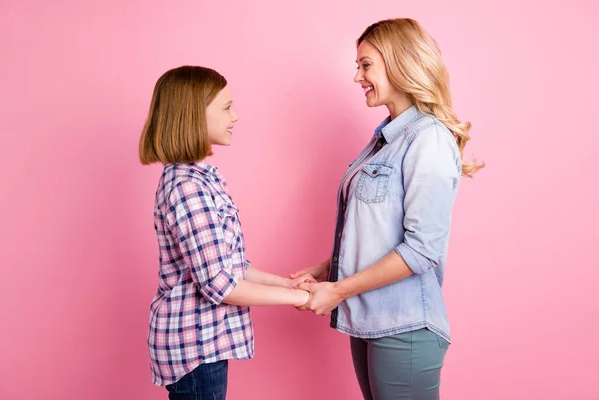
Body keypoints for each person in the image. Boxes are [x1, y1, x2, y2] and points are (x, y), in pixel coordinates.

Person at [291, 18, 483, 400]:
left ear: (399, 63)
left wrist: (338, 290)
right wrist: (326, 269)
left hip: (406, 326)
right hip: (369, 321)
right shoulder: (385, 139)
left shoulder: (428, 139)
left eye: (366, 65)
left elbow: (421, 249)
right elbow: (375, 232)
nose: (356, 76)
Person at [139, 65, 312, 400]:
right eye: (226, 107)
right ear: (194, 115)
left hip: (204, 344)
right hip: (195, 348)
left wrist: (287, 284)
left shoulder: (202, 179)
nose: (235, 116)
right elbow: (220, 284)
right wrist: (302, 298)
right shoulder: (188, 188)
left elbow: (230, 265)